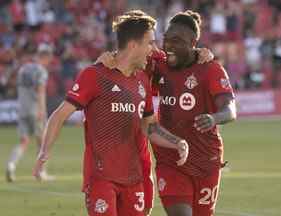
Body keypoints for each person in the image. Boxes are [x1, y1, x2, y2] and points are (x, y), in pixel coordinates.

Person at [33, 11, 189, 216]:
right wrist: (44, 151)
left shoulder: (142, 80)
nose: (154, 50)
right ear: (133, 45)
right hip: (101, 178)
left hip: (134, 179)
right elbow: (60, 114)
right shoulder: (95, 74)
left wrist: (177, 142)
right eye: (150, 43)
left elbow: (150, 126)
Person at [97, 10, 237, 216]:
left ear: (193, 43)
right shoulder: (158, 64)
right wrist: (109, 58)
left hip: (206, 162)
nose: (168, 46)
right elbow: (130, 54)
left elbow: (230, 109)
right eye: (166, 40)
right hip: (170, 160)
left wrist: (214, 118)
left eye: (177, 41)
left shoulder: (210, 69)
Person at [6, 43, 54, 182]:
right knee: (42, 142)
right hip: (35, 110)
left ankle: (11, 165)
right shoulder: (41, 71)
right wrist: (42, 111)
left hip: (22, 109)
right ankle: (40, 172)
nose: (50, 61)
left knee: (23, 141)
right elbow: (40, 91)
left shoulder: (23, 69)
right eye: (49, 57)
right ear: (45, 56)